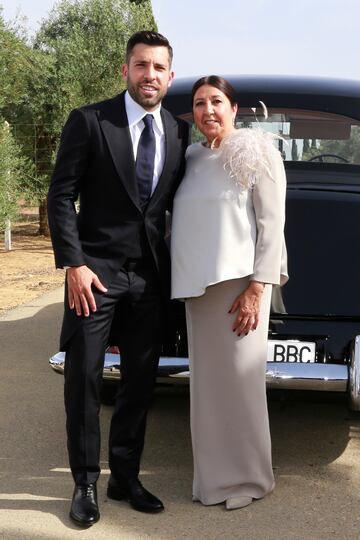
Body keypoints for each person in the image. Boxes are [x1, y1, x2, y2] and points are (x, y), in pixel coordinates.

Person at [47, 31, 189, 526]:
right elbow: (60, 196)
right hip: (94, 278)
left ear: (170, 76)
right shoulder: (89, 121)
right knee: (84, 381)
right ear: (125, 70)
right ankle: (84, 483)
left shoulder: (177, 130)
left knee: (139, 385)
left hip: (150, 283)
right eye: (141, 65)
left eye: (158, 68)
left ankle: (125, 477)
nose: (149, 75)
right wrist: (74, 263)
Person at [171, 76, 288, 510]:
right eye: (200, 104)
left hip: (241, 289)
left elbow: (272, 224)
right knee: (207, 391)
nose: (208, 110)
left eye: (217, 101)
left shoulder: (257, 151)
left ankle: (252, 480)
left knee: (241, 388)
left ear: (234, 108)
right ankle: (212, 482)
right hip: (199, 293)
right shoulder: (191, 156)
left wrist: (259, 286)